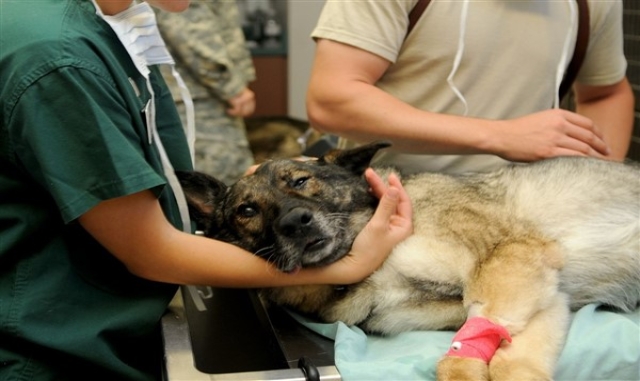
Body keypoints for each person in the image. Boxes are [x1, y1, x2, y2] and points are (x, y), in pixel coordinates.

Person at [0, 1, 413, 380]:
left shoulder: (114, 24)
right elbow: (150, 250)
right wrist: (351, 265)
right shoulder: (58, 60)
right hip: (53, 350)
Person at [306, 0, 634, 175]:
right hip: (392, 206)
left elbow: (606, 92)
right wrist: (500, 136)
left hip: (531, 208)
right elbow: (332, 99)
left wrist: (596, 181)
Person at [156, 0, 257, 185]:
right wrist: (233, 88)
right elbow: (187, 26)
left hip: (199, 94)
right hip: (198, 98)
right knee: (219, 188)